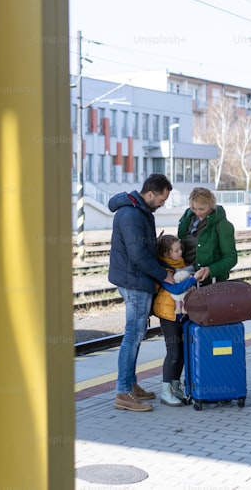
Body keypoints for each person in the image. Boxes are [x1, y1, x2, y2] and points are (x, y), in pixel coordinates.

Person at [107, 173, 176, 412]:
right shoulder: (132, 214)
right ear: (150, 194)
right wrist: (162, 273)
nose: (162, 204)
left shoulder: (139, 211)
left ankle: (130, 384)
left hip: (133, 279)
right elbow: (137, 256)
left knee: (136, 335)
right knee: (133, 335)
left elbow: (139, 248)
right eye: (162, 199)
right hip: (134, 281)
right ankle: (123, 392)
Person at [152, 234, 196, 406]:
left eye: (180, 249)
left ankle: (175, 387)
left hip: (182, 314)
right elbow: (176, 289)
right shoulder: (164, 270)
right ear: (166, 252)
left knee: (183, 353)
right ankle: (165, 391)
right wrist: (193, 278)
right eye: (176, 250)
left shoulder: (182, 265)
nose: (180, 253)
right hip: (168, 315)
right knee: (173, 353)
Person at [177, 186, 238, 286]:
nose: (197, 213)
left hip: (211, 282)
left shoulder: (222, 225)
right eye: (194, 208)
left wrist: (211, 270)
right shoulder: (188, 218)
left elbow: (231, 258)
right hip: (188, 279)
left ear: (211, 205)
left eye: (201, 209)